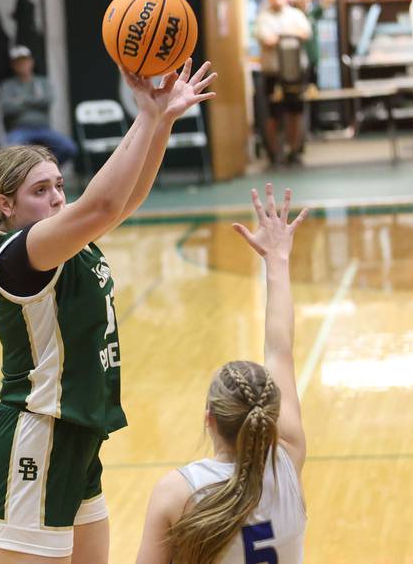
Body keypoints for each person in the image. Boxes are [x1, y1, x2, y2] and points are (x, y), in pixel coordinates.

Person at [0, 59, 216, 564]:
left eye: (60, 185)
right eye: (41, 191)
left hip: (77, 438)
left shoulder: (67, 243)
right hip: (34, 436)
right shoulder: (20, 254)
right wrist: (145, 116)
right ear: (6, 204)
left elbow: (126, 199)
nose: (58, 198)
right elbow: (102, 206)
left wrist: (162, 119)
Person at [135, 184, 309, 564]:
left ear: (209, 419)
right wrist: (277, 260)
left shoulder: (178, 493)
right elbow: (280, 348)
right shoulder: (287, 465)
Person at [256, 0, 312, 166]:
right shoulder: (263, 18)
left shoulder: (296, 15)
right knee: (273, 114)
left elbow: (305, 34)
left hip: (295, 72)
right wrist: (288, 35)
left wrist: (280, 35)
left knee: (295, 111)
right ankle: (274, 154)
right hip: (272, 73)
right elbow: (267, 41)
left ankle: (293, 151)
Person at [0, 46, 78, 166]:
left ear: (31, 62)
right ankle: (29, 174)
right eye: (18, 63)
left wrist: (21, 100)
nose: (22, 65)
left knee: (69, 147)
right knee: (11, 152)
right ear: (13, 65)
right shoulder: (8, 85)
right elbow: (7, 108)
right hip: (19, 129)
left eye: (25, 61)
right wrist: (35, 101)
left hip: (43, 128)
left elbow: (47, 100)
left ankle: (46, 169)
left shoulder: (42, 82)